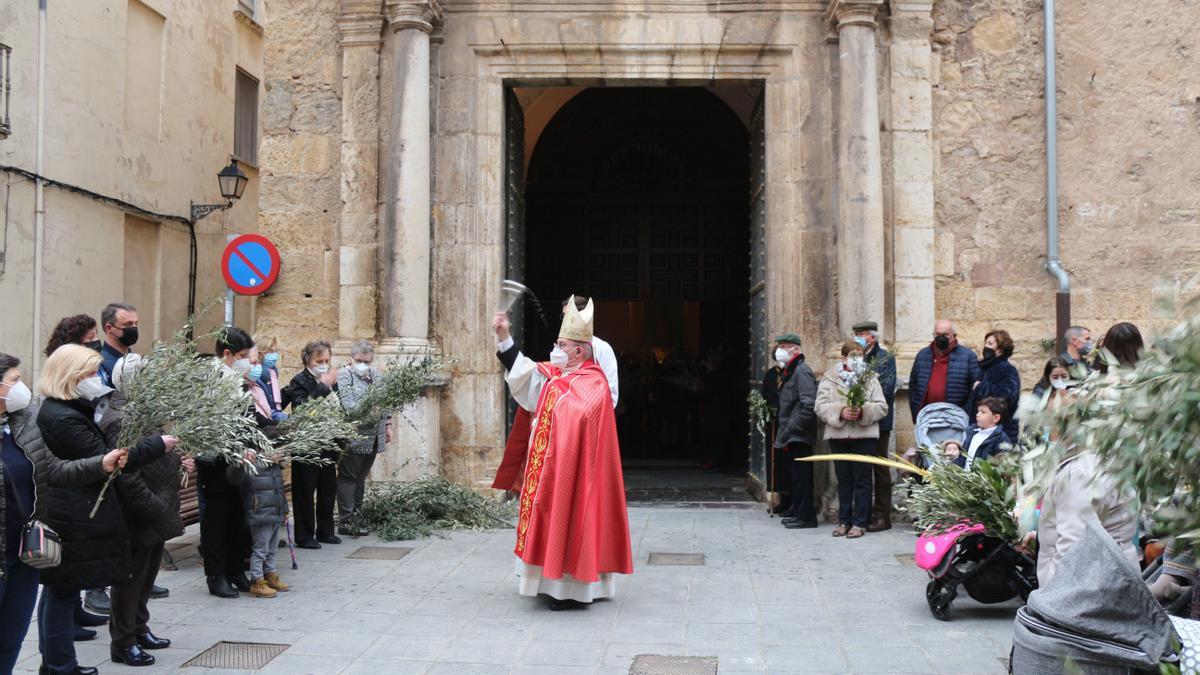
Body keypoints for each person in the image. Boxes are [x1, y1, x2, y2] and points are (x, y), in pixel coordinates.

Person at [34, 344, 174, 675]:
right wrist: (157, 446)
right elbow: (110, 461)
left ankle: (57, 663)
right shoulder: (65, 417)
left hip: (73, 508)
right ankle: (59, 665)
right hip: (71, 512)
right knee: (62, 591)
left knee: (61, 591)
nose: (97, 378)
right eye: (89, 373)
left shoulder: (68, 410)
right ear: (71, 377)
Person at [493, 297, 633, 610]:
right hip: (550, 463)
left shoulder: (595, 369)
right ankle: (546, 581)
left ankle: (573, 588)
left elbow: (601, 402)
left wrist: (568, 415)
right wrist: (504, 337)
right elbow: (526, 376)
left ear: (580, 349)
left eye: (562, 344)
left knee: (579, 514)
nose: (556, 348)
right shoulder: (556, 373)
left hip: (579, 459)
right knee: (549, 513)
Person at [100, 355, 186, 667]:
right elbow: (126, 472)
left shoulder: (142, 411)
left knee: (146, 576)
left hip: (157, 507)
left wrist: (178, 461)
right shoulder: (121, 417)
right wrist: (152, 505)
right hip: (140, 511)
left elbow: (155, 452)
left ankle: (139, 626)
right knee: (130, 580)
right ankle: (123, 641)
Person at [199, 328, 256, 598]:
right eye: (243, 355)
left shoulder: (236, 379)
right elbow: (211, 425)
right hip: (216, 461)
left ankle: (235, 570)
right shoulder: (211, 380)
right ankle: (216, 575)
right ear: (227, 354)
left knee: (238, 517)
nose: (246, 361)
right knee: (217, 519)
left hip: (238, 459)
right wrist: (235, 448)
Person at [1035, 442, 1138, 586]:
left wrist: (1049, 599)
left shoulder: (1080, 472)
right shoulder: (1099, 461)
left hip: (1088, 589)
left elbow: (1072, 550)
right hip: (1110, 580)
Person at [814, 340, 888, 539]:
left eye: (860, 356)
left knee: (863, 480)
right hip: (839, 436)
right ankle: (843, 520)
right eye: (852, 356)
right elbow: (820, 405)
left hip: (863, 435)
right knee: (843, 479)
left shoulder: (870, 377)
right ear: (844, 357)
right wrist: (840, 411)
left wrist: (863, 411)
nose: (856, 359)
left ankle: (860, 522)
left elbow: (882, 406)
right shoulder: (830, 378)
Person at [1, 354, 43, 673]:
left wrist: (99, 464)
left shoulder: (21, 424)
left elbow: (51, 469)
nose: (22, 387)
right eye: (14, 380)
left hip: (24, 555)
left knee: (11, 637)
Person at [283, 340, 341, 548]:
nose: (324, 364)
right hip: (307, 445)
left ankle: (326, 531)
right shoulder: (299, 380)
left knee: (327, 488)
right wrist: (323, 386)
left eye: (326, 360)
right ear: (308, 359)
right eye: (319, 360)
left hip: (328, 443)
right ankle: (305, 535)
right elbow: (302, 408)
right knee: (305, 491)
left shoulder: (331, 381)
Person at [336, 341, 392, 536]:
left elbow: (386, 400)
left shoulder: (376, 375)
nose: (362, 365)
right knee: (348, 476)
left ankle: (357, 516)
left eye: (366, 361)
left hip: (374, 436)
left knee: (361, 477)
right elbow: (350, 406)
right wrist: (372, 411)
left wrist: (387, 424)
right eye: (358, 360)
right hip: (355, 436)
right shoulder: (345, 374)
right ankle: (346, 520)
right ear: (351, 359)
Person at [852, 320, 896, 532]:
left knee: (879, 468)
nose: (858, 338)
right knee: (860, 467)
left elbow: (886, 389)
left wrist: (861, 403)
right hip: (857, 420)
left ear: (873, 336)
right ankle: (862, 512)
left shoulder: (885, 358)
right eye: (856, 334)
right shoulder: (855, 356)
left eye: (862, 334)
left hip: (878, 421)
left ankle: (882, 514)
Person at [772, 333, 819, 530]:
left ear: (796, 349)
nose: (780, 349)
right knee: (795, 477)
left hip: (799, 434)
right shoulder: (790, 371)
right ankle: (798, 510)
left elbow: (809, 404)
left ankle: (807, 516)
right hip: (791, 433)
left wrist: (792, 427)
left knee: (802, 477)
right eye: (780, 345)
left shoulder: (802, 371)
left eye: (785, 346)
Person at [908, 319, 981, 422]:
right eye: (937, 334)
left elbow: (975, 388)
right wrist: (916, 413)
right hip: (927, 418)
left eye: (945, 335)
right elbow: (913, 386)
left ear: (954, 336)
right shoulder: (922, 355)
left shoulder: (968, 356)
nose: (941, 338)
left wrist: (965, 414)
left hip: (956, 419)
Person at [968, 329, 1021, 440]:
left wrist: (981, 387)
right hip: (980, 427)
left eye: (990, 344)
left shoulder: (1007, 369)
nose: (986, 347)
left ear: (1000, 350)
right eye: (986, 343)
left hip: (1001, 430)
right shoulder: (983, 368)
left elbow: (1008, 396)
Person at [760, 350, 788, 514]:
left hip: (788, 423)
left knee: (787, 462)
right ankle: (777, 498)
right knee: (775, 461)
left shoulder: (792, 372)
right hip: (774, 424)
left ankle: (789, 499)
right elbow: (766, 394)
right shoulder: (771, 374)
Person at [957, 397, 1012, 470]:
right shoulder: (971, 433)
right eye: (978, 411)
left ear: (996, 418)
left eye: (983, 412)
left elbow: (1002, 466)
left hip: (981, 480)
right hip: (964, 478)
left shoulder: (1001, 438)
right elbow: (962, 456)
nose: (977, 415)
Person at [97, 303, 140, 388]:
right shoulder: (99, 364)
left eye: (136, 323)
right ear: (109, 328)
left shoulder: (136, 360)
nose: (134, 328)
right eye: (128, 324)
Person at [251, 335, 288, 422]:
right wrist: (286, 418)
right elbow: (264, 408)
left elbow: (274, 403)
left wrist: (286, 394)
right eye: (270, 351)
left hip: (272, 422)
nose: (274, 355)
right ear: (259, 353)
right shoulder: (254, 376)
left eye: (275, 351)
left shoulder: (272, 373)